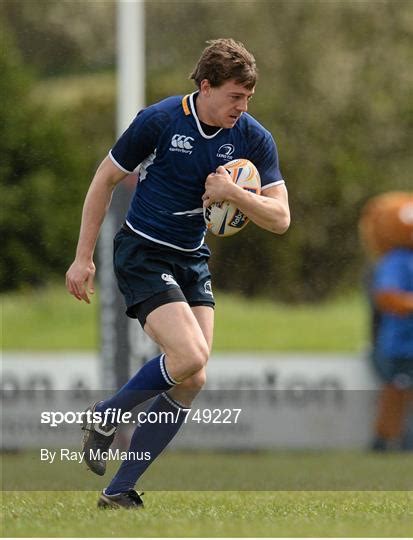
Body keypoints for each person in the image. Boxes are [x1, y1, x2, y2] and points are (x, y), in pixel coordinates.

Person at [66, 38, 290, 509]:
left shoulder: (253, 136)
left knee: (193, 378)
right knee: (188, 355)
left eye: (248, 97)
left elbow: (280, 218)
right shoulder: (161, 120)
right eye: (234, 96)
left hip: (191, 258)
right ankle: (106, 414)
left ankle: (118, 490)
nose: (242, 106)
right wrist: (83, 257)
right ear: (205, 87)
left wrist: (235, 194)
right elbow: (103, 179)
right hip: (143, 252)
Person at [359, 193, 413, 451]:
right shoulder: (396, 261)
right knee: (396, 392)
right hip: (399, 346)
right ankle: (384, 439)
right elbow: (386, 297)